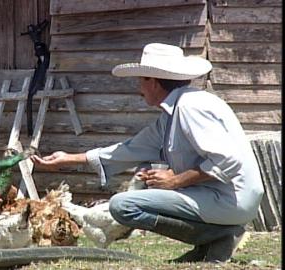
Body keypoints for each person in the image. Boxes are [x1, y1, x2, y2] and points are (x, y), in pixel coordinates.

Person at [30, 43, 264, 263]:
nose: (139, 88)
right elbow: (131, 148)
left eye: (141, 81)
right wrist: (69, 159)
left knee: (123, 206)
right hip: (221, 195)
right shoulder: (174, 113)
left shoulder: (191, 107)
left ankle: (220, 237)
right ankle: (210, 245)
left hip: (231, 199)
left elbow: (227, 161)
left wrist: (176, 180)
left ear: (152, 81)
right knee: (131, 202)